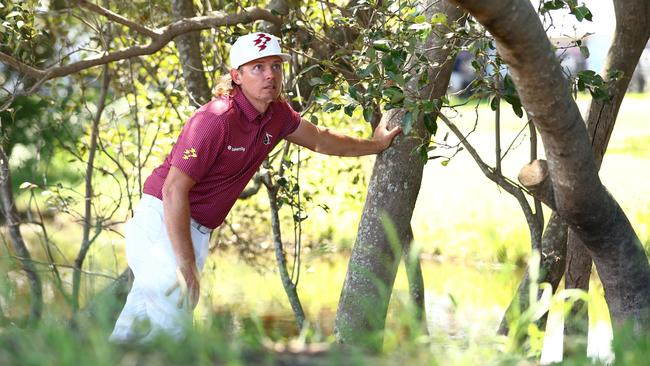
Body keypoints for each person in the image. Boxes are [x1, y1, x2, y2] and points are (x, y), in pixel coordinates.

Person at [109, 32, 401, 342]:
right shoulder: (214, 120)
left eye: (275, 66)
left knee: (134, 329)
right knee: (173, 327)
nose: (270, 75)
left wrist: (376, 144)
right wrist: (186, 264)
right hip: (162, 223)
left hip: (193, 230)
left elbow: (320, 139)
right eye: (257, 67)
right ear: (236, 76)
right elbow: (172, 191)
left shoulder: (276, 115)